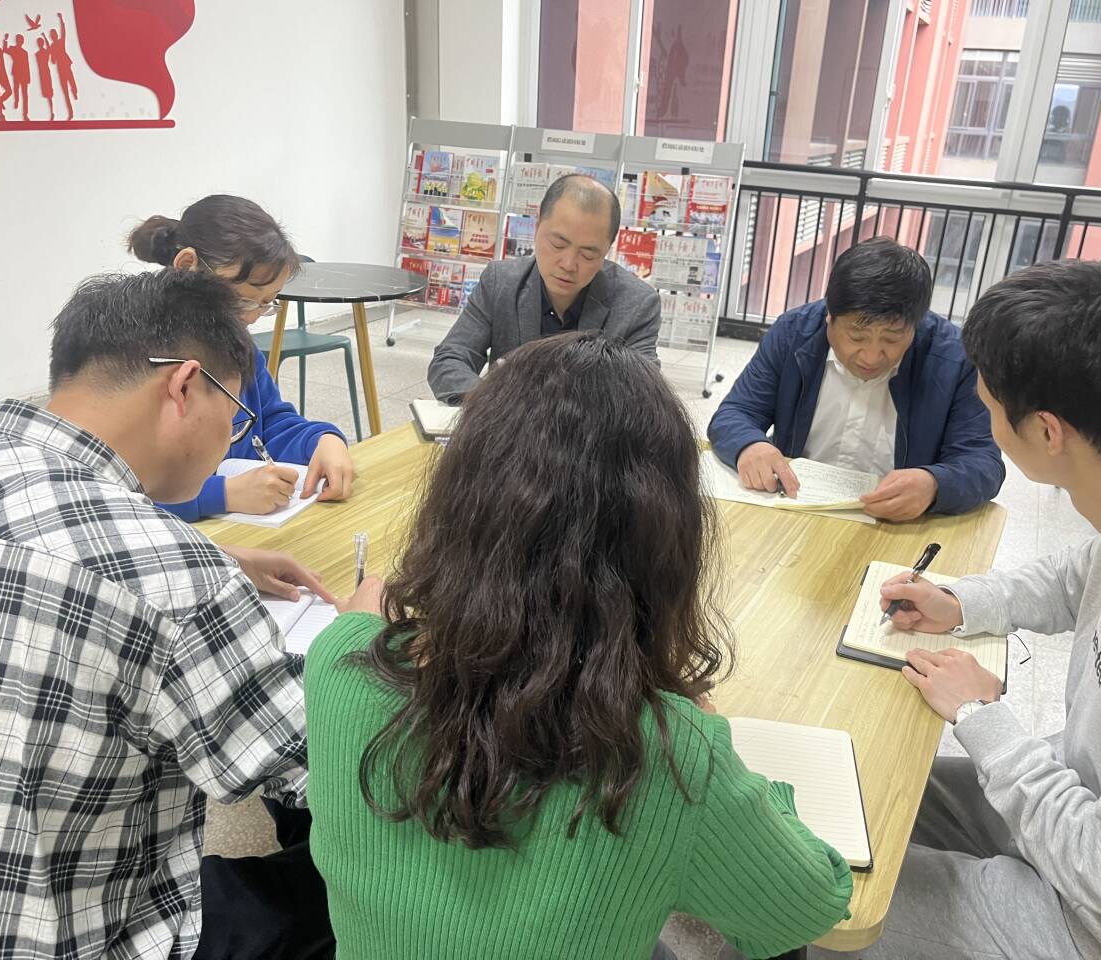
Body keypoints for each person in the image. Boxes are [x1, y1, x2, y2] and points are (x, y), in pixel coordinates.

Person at [307, 331, 854, 960]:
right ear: (664, 546)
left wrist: (361, 628)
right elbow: (811, 904)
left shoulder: (338, 660)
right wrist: (730, 757)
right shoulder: (672, 753)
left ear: (458, 503)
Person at [806, 260, 1101, 960]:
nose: (984, 417)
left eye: (989, 404)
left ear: (1046, 432)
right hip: (1076, 801)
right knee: (857, 792)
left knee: (816, 896)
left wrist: (984, 718)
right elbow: (1079, 575)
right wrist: (960, 601)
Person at [0, 269, 369, 959]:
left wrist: (224, 557)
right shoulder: (179, 579)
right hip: (87, 935)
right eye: (235, 416)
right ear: (183, 386)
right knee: (339, 881)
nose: (232, 437)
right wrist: (357, 638)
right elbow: (325, 768)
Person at [707, 237, 1004, 520]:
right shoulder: (793, 333)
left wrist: (935, 484)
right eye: (856, 337)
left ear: (916, 325)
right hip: (797, 505)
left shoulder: (955, 358)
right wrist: (750, 446)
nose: (871, 357)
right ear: (829, 316)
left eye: (891, 339)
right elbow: (736, 413)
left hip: (899, 522)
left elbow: (982, 461)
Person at [129, 194, 357, 521]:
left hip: (238, 532)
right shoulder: (133, 358)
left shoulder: (237, 347)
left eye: (266, 303)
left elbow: (270, 422)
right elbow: (115, 491)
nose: (250, 317)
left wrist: (322, 441)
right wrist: (221, 494)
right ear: (187, 265)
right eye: (242, 300)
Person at [427, 174, 662, 404]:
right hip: (506, 424)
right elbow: (449, 359)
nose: (568, 264)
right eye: (558, 244)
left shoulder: (637, 304)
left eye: (588, 254)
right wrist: (496, 405)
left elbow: (644, 397)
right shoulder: (501, 282)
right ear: (537, 225)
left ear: (608, 248)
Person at [47, 12, 77, 120]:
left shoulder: (60, 42)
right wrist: (53, 55)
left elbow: (63, 31)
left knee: (71, 83)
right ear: (51, 37)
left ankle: (75, 91)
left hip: (65, 66)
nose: (54, 35)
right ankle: (71, 112)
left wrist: (61, 19)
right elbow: (53, 61)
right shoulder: (53, 46)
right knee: (65, 92)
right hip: (60, 68)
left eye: (54, 34)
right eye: (52, 35)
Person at [2, 34, 31, 120]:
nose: (20, 42)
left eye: (21, 40)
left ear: (22, 42)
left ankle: (25, 113)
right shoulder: (13, 49)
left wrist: (28, 78)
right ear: (17, 41)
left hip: (24, 75)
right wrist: (5, 40)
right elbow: (5, 50)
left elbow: (27, 66)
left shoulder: (25, 53)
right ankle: (17, 101)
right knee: (16, 89)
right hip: (17, 74)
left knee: (25, 95)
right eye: (19, 40)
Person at [35, 35, 54, 120]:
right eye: (39, 43)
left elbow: (49, 48)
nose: (39, 44)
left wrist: (45, 37)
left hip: (45, 73)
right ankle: (49, 112)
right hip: (42, 74)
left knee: (49, 94)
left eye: (40, 42)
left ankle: (51, 111)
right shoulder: (38, 54)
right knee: (45, 93)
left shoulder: (42, 53)